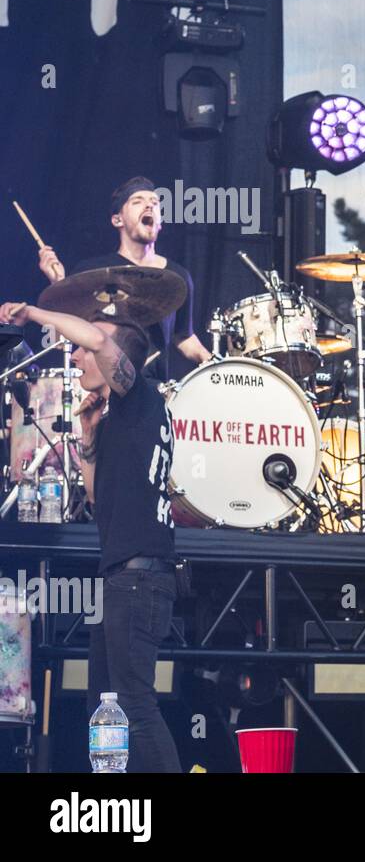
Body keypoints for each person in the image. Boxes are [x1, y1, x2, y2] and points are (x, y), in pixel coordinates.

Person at [0, 298, 181, 772]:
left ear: (116, 356)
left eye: (81, 350)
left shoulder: (141, 397)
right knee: (107, 709)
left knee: (135, 706)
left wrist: (34, 314)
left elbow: (98, 339)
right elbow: (101, 504)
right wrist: (87, 435)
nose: (75, 356)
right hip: (121, 576)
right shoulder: (121, 417)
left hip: (139, 579)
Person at [37, 176, 212, 381]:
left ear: (160, 223)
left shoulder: (177, 277)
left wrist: (215, 363)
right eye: (138, 201)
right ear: (117, 219)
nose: (149, 205)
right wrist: (58, 284)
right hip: (103, 386)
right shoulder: (91, 272)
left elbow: (184, 337)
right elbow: (61, 339)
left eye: (155, 203)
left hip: (153, 389)